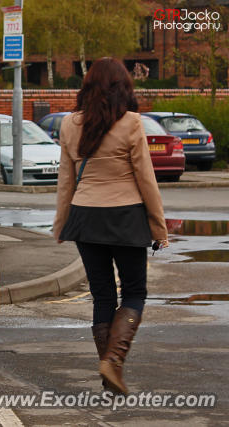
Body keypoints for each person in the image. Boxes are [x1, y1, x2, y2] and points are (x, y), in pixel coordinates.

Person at [52, 57, 169, 395]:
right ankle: (113, 361)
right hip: (126, 216)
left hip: (85, 217)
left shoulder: (69, 124)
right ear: (123, 87)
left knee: (102, 293)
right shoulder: (132, 122)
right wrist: (159, 228)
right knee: (134, 292)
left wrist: (61, 225)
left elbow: (65, 182)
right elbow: (146, 180)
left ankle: (107, 370)